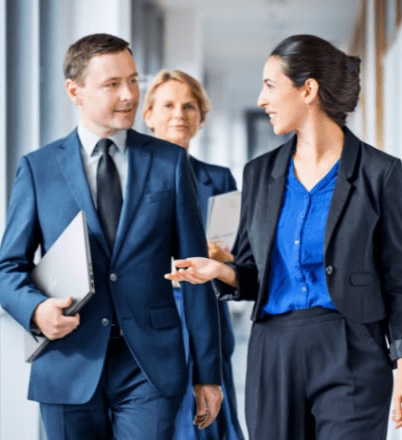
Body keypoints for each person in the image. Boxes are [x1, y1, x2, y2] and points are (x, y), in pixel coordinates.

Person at [165, 34, 402, 440]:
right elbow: (252, 274)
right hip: (274, 350)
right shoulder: (259, 174)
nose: (261, 99)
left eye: (269, 85)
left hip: (352, 346)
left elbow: (396, 277)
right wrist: (221, 270)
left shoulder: (379, 172)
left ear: (308, 89)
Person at [0, 33, 223, 440]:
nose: (129, 95)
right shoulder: (38, 169)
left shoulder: (168, 162)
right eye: (112, 84)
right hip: (68, 362)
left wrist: (208, 373)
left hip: (149, 366)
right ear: (74, 91)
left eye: (133, 81)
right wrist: (36, 312)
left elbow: (195, 270)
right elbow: (8, 268)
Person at [143, 69, 244, 440]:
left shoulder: (218, 178)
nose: (179, 114)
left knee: (211, 417)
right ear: (149, 114)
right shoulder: (129, 176)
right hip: (152, 315)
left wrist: (221, 258)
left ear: (201, 117)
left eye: (189, 106)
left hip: (205, 314)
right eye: (168, 105)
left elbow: (240, 254)